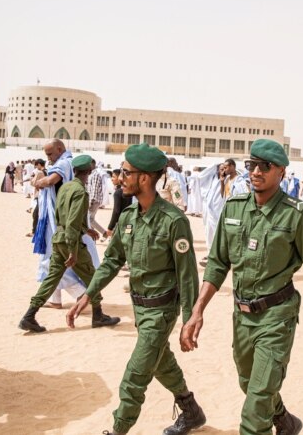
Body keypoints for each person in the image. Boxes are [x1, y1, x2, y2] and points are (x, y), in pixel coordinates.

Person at [180, 139, 303, 435]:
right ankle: (283, 419)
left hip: (277, 317)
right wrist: (197, 311)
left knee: (255, 410)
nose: (256, 172)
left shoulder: (295, 215)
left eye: (264, 166)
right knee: (248, 382)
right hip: (242, 317)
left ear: (281, 171)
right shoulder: (233, 209)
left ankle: (269, 419)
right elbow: (217, 264)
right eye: (252, 165)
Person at [67, 144, 206, 435]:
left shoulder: (173, 221)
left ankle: (118, 430)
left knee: (135, 374)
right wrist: (88, 294)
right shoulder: (129, 218)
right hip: (140, 309)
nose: (119, 178)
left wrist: (190, 319)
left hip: (162, 310)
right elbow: (111, 262)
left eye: (126, 173)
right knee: (160, 362)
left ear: (144, 178)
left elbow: (188, 274)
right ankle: (191, 410)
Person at [19, 154, 120, 332]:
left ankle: (29, 315)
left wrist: (86, 229)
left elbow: (63, 215)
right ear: (89, 171)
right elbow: (72, 222)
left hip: (58, 238)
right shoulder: (81, 192)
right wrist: (73, 251)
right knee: (92, 277)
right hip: (69, 241)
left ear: (74, 171)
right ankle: (98, 315)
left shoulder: (65, 187)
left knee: (51, 279)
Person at [197, 159, 249, 266]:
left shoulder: (240, 180)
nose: (223, 170)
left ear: (233, 166)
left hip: (236, 211)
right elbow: (223, 195)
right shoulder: (226, 180)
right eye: (222, 168)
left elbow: (246, 195)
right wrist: (221, 181)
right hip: (228, 210)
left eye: (225, 168)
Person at [87, 159, 107, 236]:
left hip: (94, 200)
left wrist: (91, 202)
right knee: (91, 219)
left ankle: (104, 232)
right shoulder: (92, 174)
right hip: (94, 200)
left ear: (92, 164)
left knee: (90, 220)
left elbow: (94, 189)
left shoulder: (95, 174)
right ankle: (92, 237)